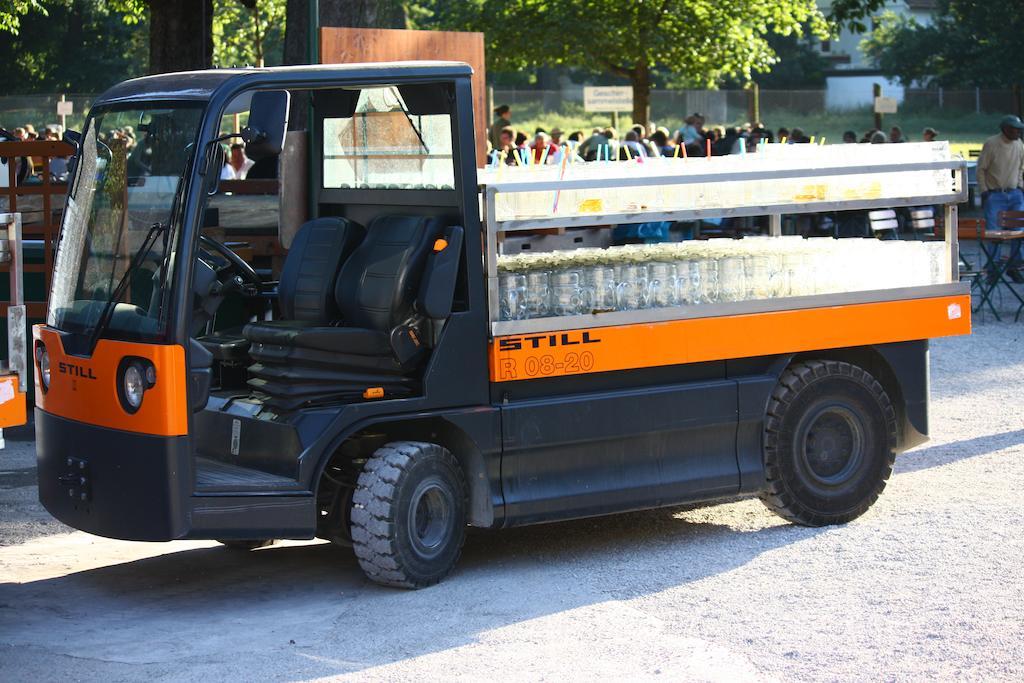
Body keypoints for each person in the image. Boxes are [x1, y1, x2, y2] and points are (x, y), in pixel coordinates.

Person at [977, 115, 1024, 276]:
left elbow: (1021, 167)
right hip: (995, 194)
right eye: (1014, 129)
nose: (1017, 132)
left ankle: (1015, 265)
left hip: (1015, 193)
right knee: (994, 232)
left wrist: (1020, 186)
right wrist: (984, 190)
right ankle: (993, 268)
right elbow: (981, 169)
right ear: (1005, 129)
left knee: (1018, 231)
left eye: (1019, 129)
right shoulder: (992, 144)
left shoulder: (1019, 144)